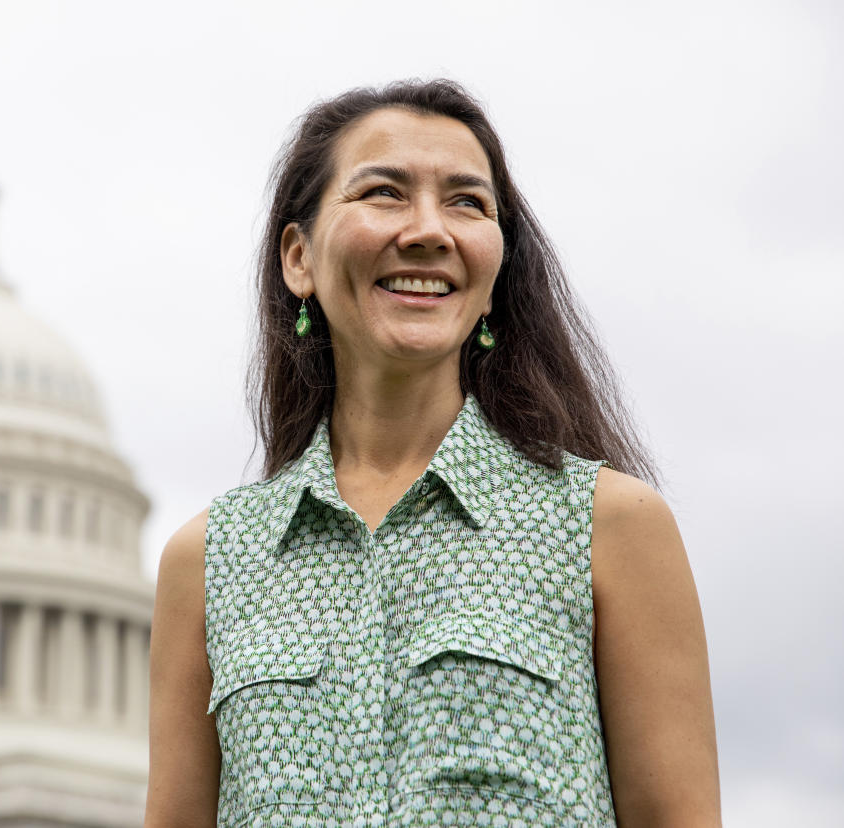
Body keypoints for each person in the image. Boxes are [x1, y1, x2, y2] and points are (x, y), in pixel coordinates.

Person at [144, 78, 721, 827]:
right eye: (383, 192)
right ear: (299, 259)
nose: (427, 230)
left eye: (466, 202)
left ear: (496, 271)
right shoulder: (209, 561)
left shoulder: (609, 526)